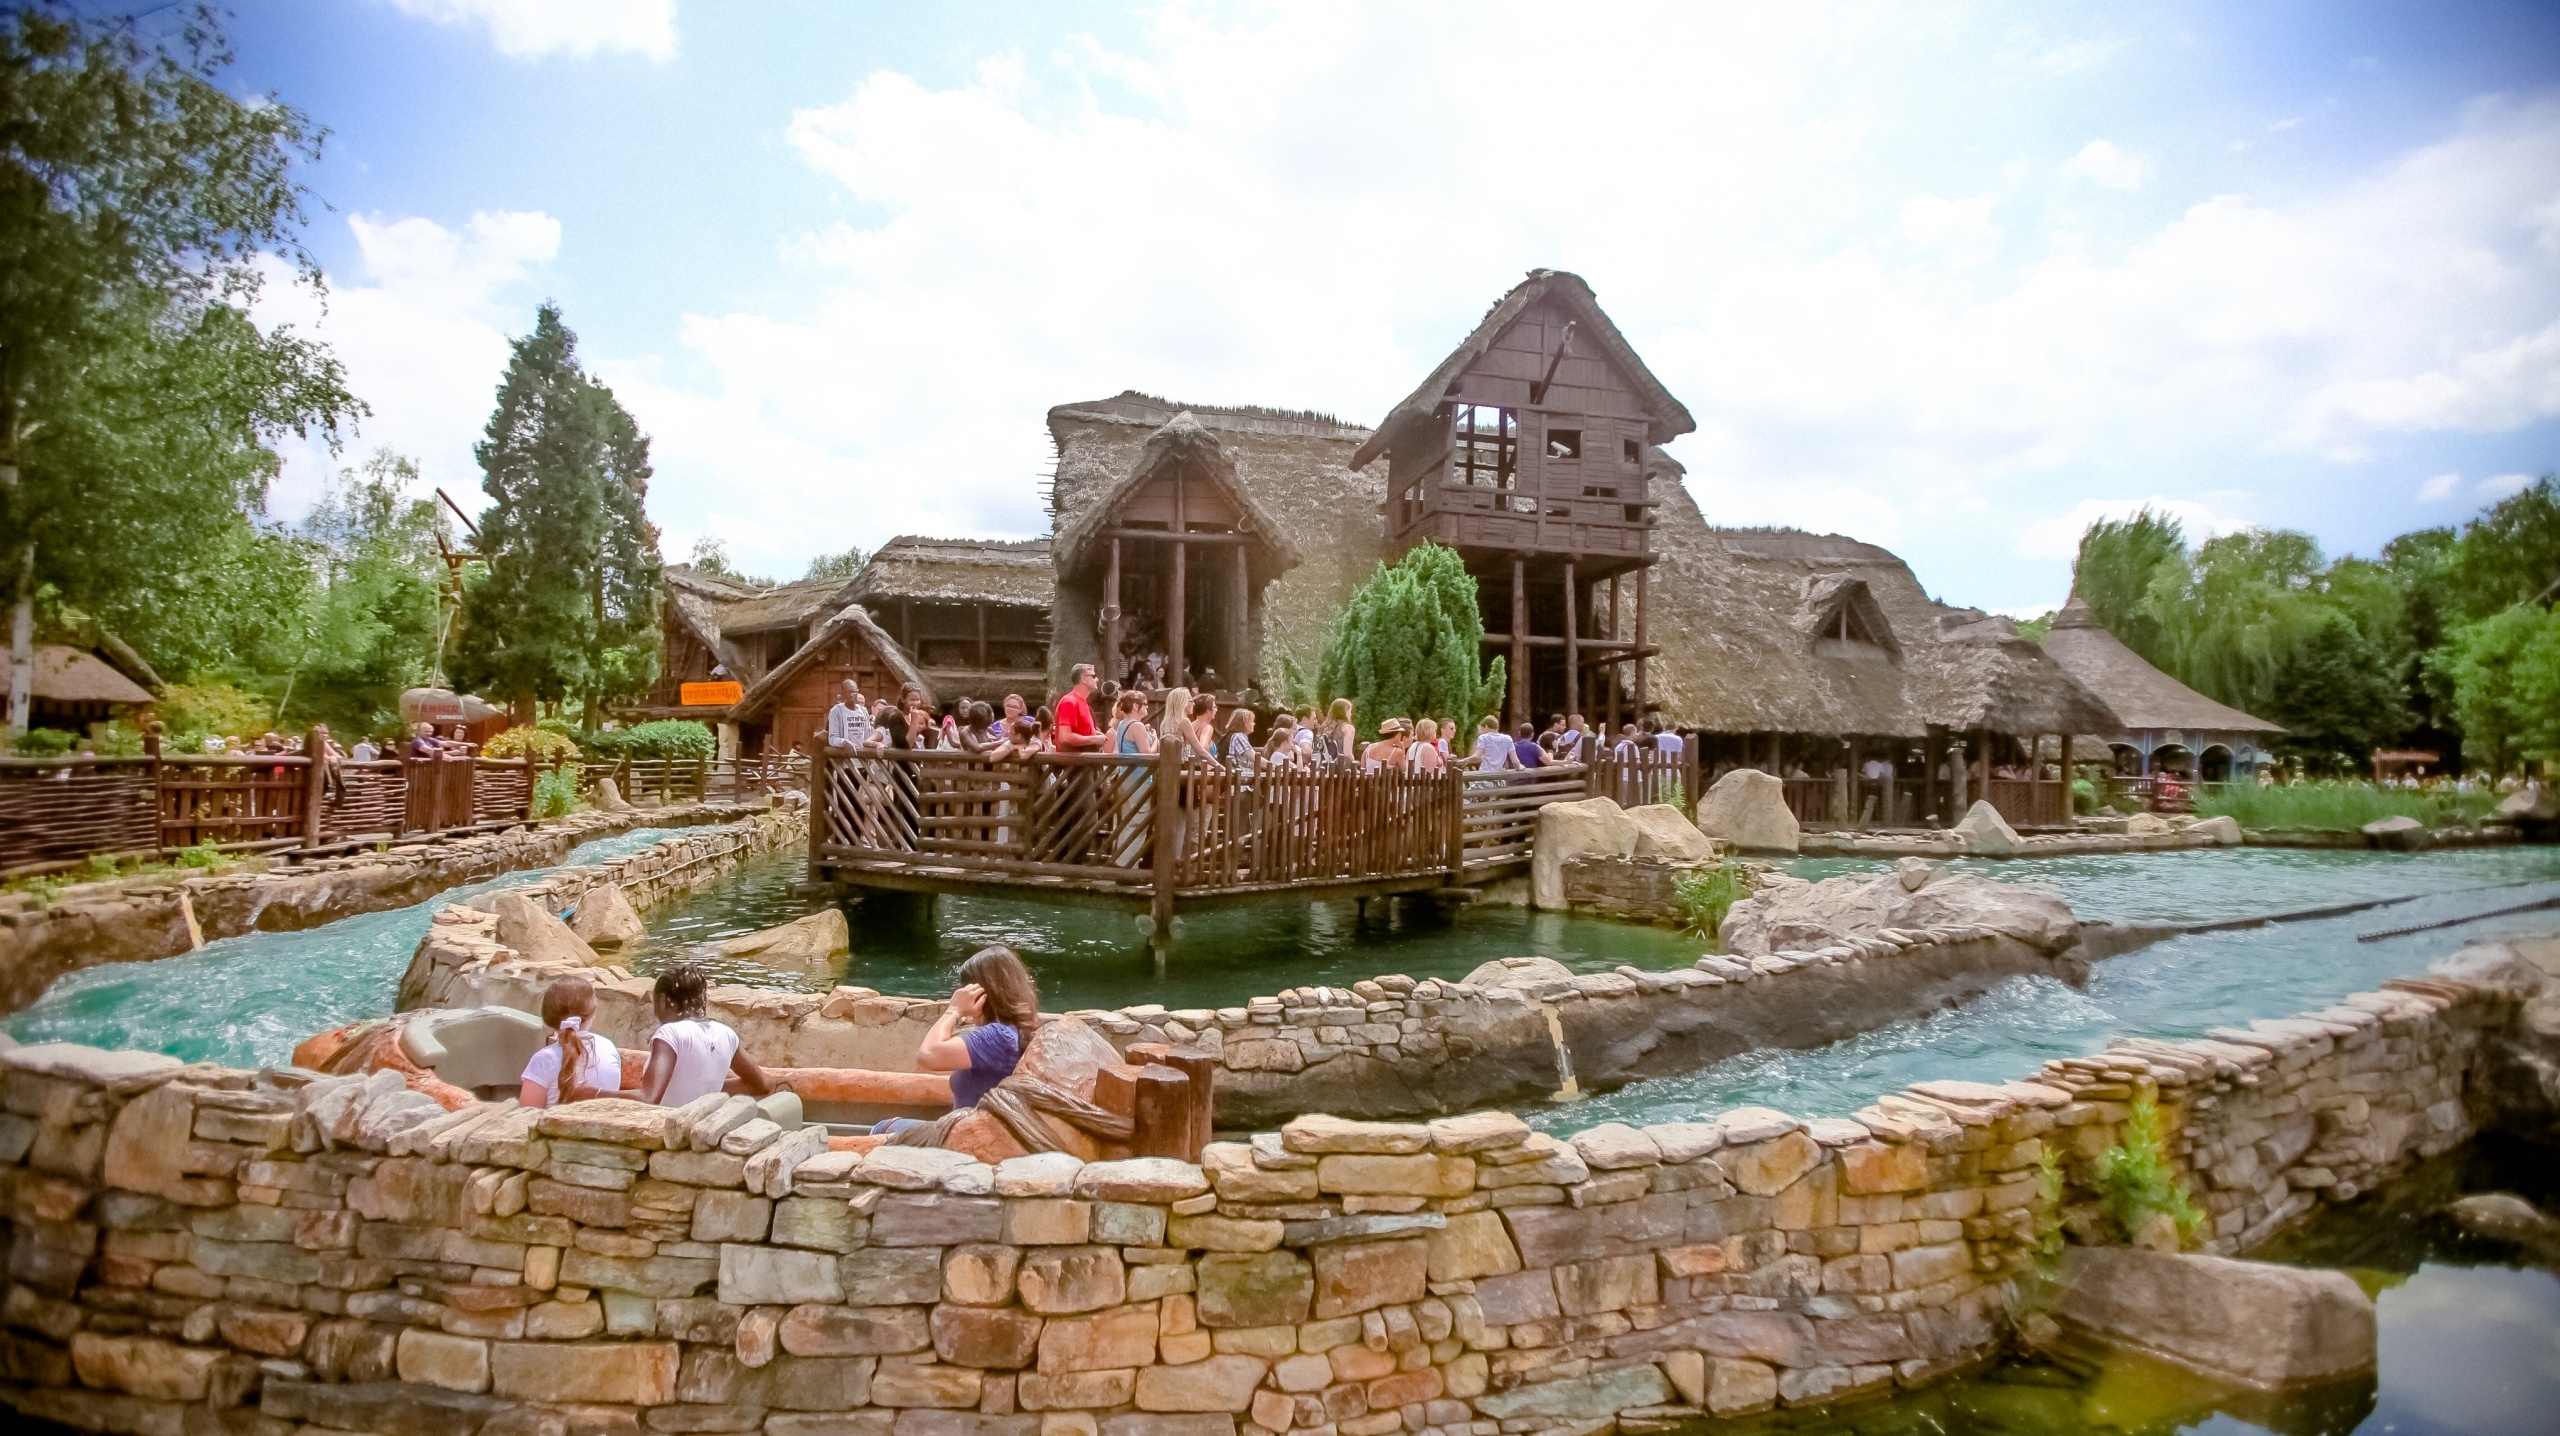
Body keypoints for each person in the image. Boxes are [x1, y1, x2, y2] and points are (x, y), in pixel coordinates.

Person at [871, 945, 1039, 1135]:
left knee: (882, 1128)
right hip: (980, 1134)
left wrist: (954, 1010)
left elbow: (928, 1055)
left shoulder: (997, 1036)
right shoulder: (1015, 1032)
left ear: (982, 995)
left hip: (966, 1139)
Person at [639, 964, 772, 1107]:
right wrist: (707, 1089)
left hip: (664, 1124)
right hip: (701, 1123)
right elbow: (762, 1085)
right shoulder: (726, 1034)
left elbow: (649, 1098)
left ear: (662, 1000)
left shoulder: (669, 1033)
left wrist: (610, 1092)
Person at [518, 975, 621, 1108]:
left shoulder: (544, 1060)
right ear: (593, 1013)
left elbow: (525, 1116)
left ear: (546, 1017)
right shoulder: (608, 1047)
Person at [1055, 664, 1107, 752]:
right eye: (1093, 676)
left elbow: (1082, 731)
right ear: (1083, 679)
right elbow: (1065, 737)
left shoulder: (1083, 703)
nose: (1097, 679)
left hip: (1084, 762)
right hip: (1072, 763)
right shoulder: (1069, 701)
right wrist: (1095, 739)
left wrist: (1096, 734)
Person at [827, 680, 877, 750]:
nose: (851, 695)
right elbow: (832, 738)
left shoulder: (863, 711)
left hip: (862, 754)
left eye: (853, 692)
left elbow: (867, 735)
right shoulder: (836, 711)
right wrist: (844, 742)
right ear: (843, 693)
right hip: (845, 756)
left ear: (857, 692)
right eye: (848, 692)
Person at [1111, 690, 1158, 755]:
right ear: (1135, 706)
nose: (1147, 706)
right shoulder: (1137, 725)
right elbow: (1147, 754)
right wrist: (1155, 739)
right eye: (1145, 704)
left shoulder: (1122, 723)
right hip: (1137, 765)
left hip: (1125, 764)